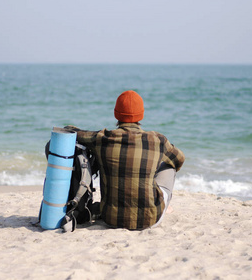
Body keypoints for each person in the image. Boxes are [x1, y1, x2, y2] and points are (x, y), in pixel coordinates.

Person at [65, 90, 184, 230]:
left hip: (111, 218)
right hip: (150, 219)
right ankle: (164, 203)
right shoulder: (157, 140)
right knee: (169, 166)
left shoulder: (102, 138)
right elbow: (179, 159)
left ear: (116, 113)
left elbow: (71, 131)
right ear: (141, 114)